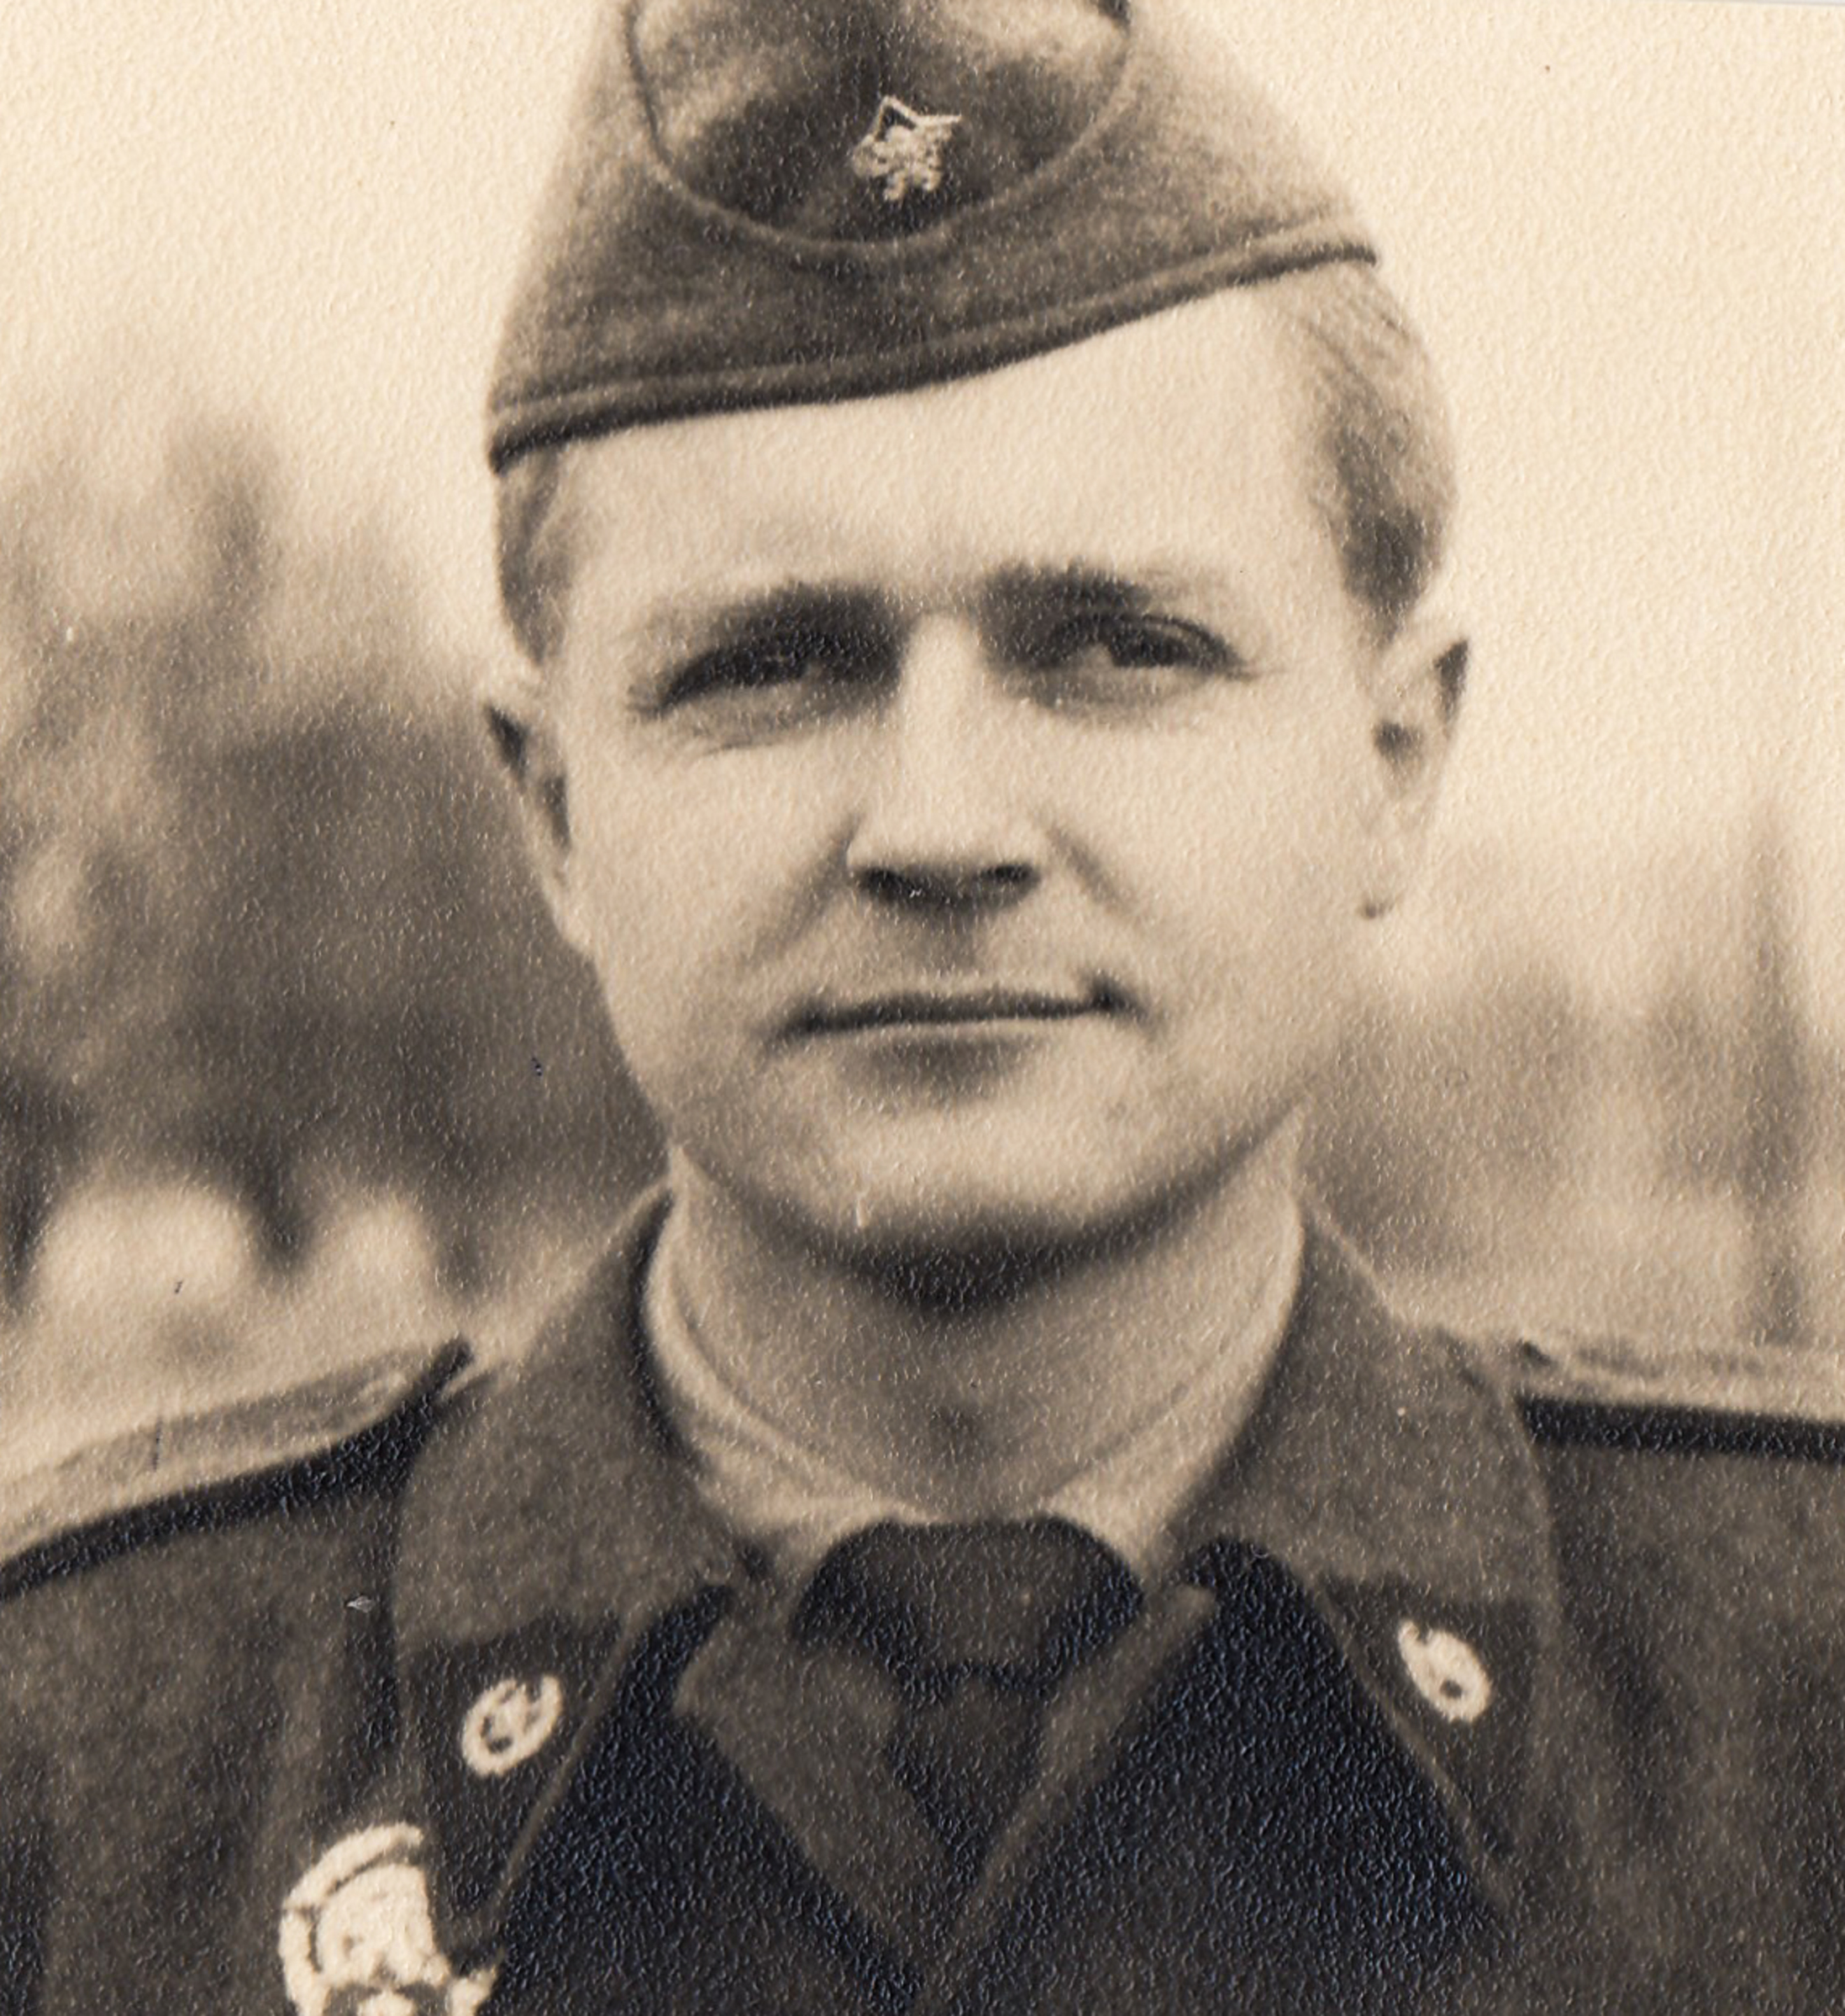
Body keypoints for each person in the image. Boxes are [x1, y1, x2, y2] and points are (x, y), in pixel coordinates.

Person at [6, 2, 1845, 2010]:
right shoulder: (85, 1763)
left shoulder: (1795, 1704)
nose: (942, 826)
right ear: (554, 811)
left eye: (1119, 649)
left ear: (1394, 761)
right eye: (770, 667)